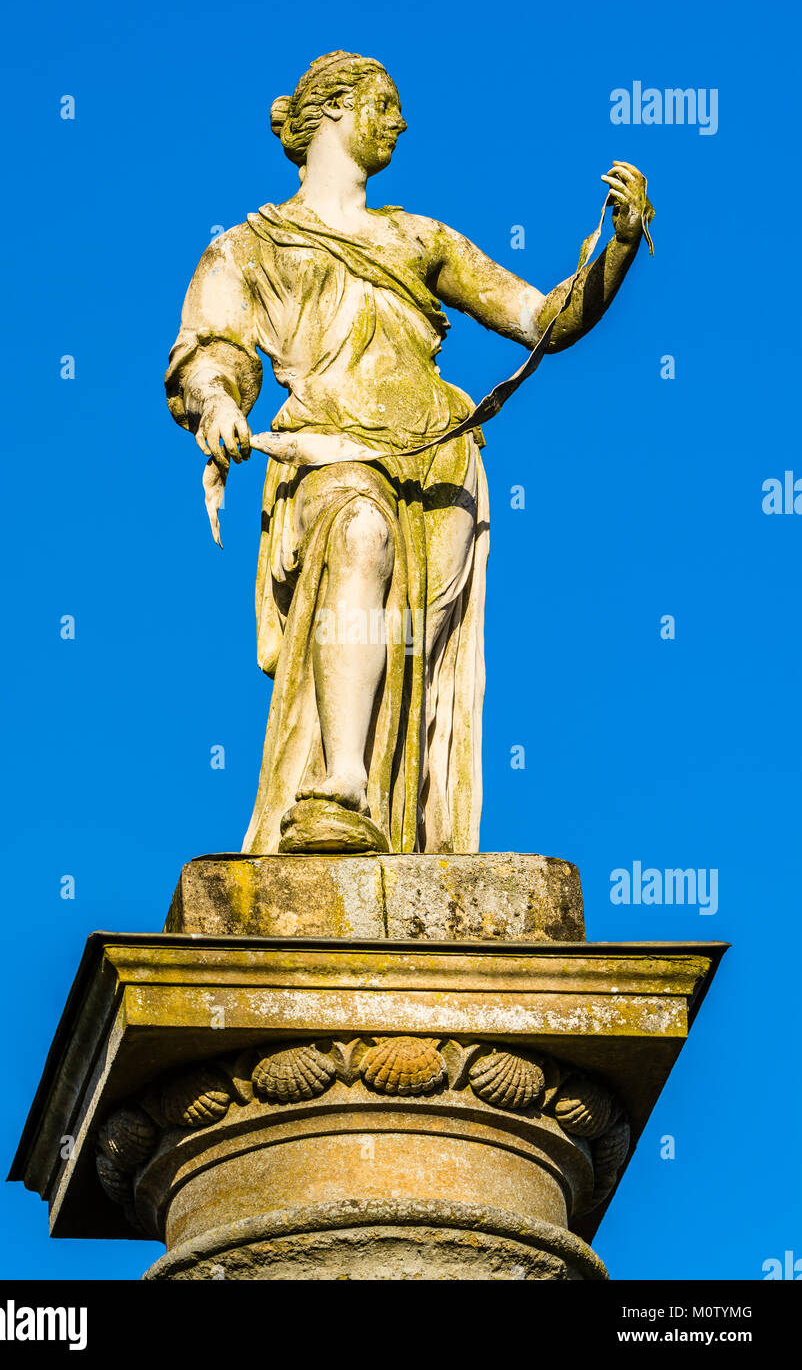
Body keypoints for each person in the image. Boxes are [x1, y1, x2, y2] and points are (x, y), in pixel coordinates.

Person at [165, 51, 652, 855]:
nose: (399, 121)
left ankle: (394, 821)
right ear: (328, 110)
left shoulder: (417, 238)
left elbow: (542, 320)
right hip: (329, 447)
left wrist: (621, 246)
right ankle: (341, 788)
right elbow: (212, 348)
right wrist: (217, 401)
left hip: (438, 465)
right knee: (359, 535)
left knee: (410, 661)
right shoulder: (249, 246)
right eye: (382, 103)